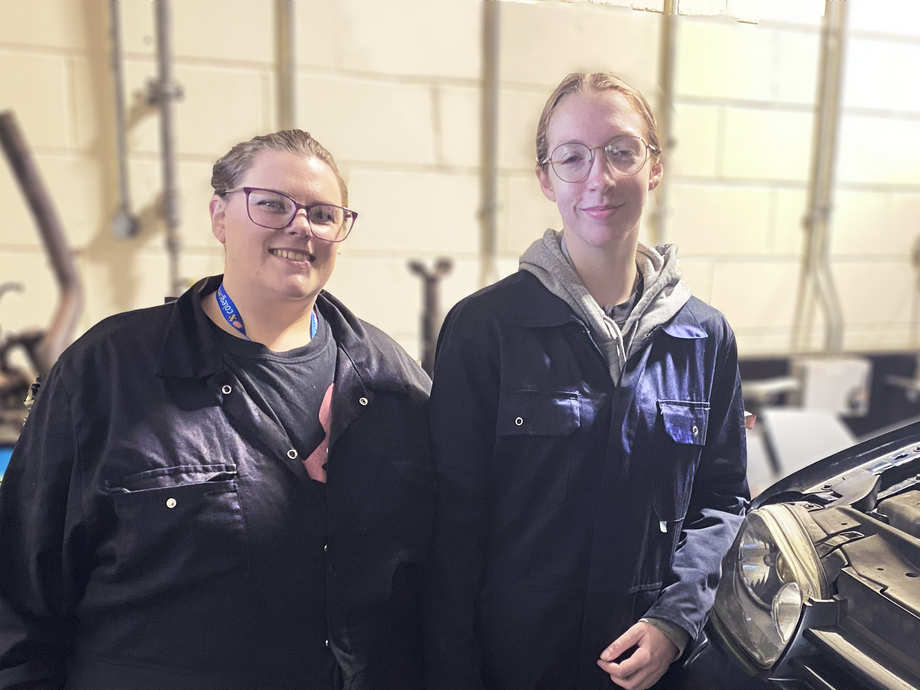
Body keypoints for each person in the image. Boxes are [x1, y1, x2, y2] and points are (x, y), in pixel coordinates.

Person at [0, 130, 433, 690]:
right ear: (219, 216)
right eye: (272, 204)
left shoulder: (390, 380)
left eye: (323, 214)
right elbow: (17, 596)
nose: (300, 226)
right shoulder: (107, 373)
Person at [424, 72, 749, 690]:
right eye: (573, 158)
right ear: (547, 179)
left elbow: (723, 497)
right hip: (515, 663)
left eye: (621, 151)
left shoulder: (706, 337)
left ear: (653, 167)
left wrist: (675, 622)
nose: (599, 178)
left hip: (645, 666)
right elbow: (451, 524)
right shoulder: (486, 328)